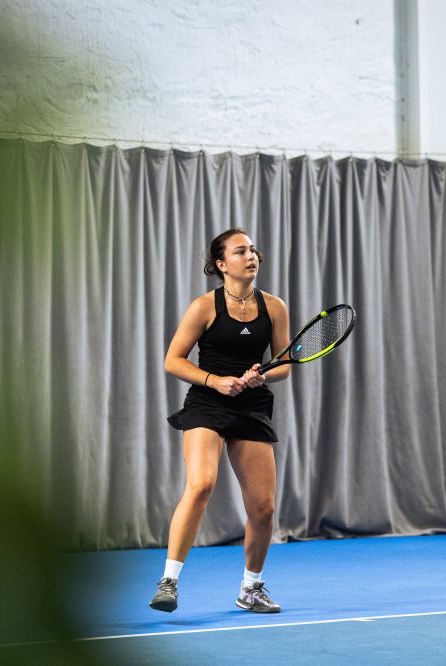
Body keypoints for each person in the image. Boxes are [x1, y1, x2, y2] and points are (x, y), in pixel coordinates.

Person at [150, 228, 291, 614]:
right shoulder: (204, 307)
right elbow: (173, 360)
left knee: (263, 508)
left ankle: (251, 588)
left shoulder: (274, 307)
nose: (251, 256)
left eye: (253, 250)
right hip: (207, 405)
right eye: (240, 251)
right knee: (201, 484)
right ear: (220, 263)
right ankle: (169, 581)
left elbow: (284, 365)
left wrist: (264, 375)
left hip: (252, 406)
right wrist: (215, 380)